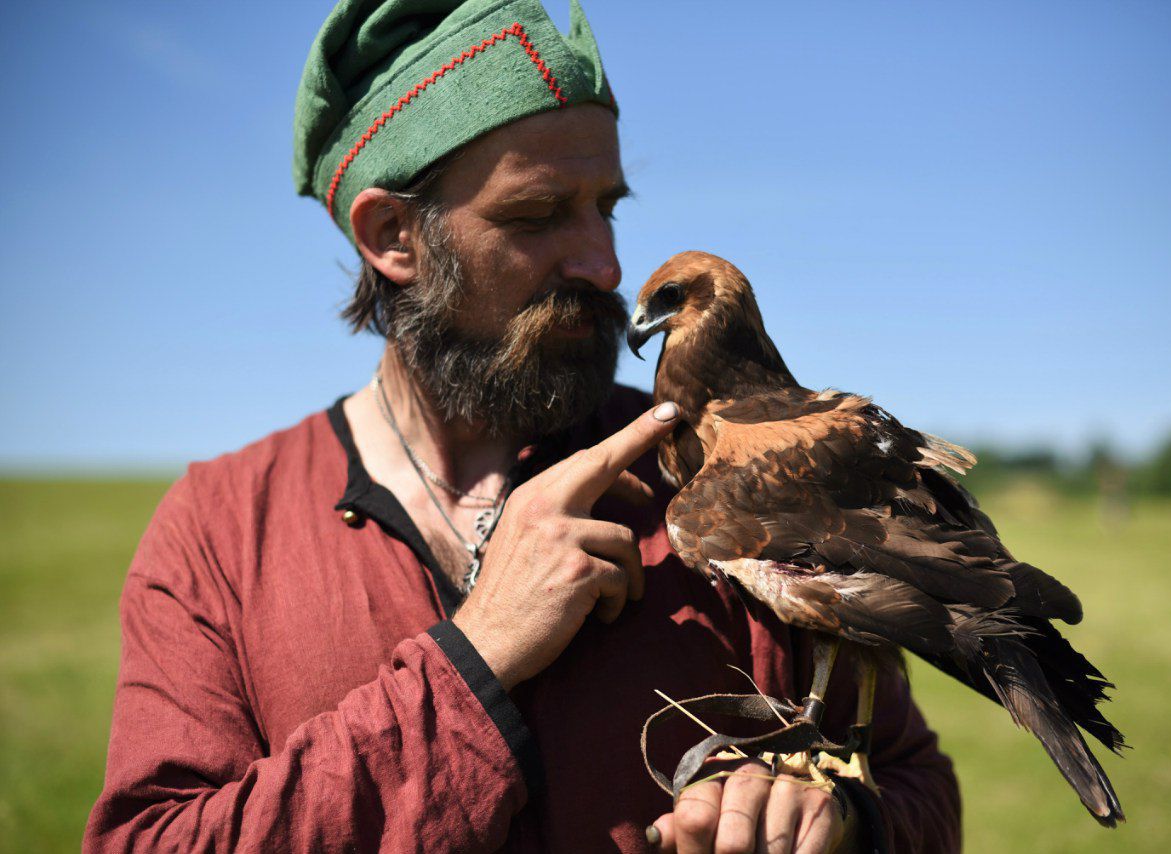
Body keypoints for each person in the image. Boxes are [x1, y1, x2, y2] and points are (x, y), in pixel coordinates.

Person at [85, 0, 961, 851]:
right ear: (394, 235)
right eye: (538, 215)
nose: (606, 263)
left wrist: (846, 824)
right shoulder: (221, 532)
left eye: (606, 206)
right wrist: (473, 661)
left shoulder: (713, 478)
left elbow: (914, 783)